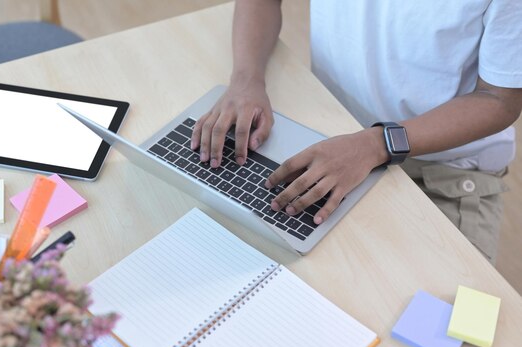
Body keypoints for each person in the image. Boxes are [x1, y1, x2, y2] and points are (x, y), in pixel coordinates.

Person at [191, 0, 522, 263]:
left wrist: (376, 144)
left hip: (441, 173)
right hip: (329, 131)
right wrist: (247, 78)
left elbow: (499, 101)